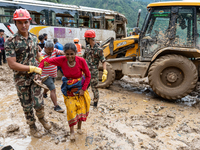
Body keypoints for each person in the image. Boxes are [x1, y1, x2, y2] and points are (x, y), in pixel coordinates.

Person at [4, 8, 51, 138]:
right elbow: (12, 64)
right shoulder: (10, 41)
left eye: (26, 22)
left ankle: (42, 119)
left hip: (35, 77)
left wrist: (41, 59)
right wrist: (31, 68)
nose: (23, 25)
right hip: (21, 79)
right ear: (15, 23)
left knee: (38, 101)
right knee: (26, 105)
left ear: (29, 22)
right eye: (20, 22)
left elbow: (36, 52)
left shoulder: (33, 38)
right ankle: (32, 126)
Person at [39, 43, 91, 141]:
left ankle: (79, 127)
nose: (69, 57)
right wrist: (39, 70)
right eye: (67, 54)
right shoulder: (61, 60)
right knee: (71, 109)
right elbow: (46, 61)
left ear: (75, 53)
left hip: (80, 87)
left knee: (81, 108)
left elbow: (88, 75)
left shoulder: (81, 61)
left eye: (72, 54)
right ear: (64, 53)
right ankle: (72, 131)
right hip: (68, 89)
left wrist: (83, 89)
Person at [83, 30, 107, 108]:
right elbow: (83, 59)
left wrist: (105, 72)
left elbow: (103, 61)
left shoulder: (99, 49)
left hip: (94, 73)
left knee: (94, 88)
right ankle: (84, 101)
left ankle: (95, 104)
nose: (85, 40)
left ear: (89, 39)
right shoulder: (87, 48)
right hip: (86, 72)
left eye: (86, 38)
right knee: (84, 87)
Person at [41, 40, 65, 113]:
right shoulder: (41, 55)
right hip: (45, 76)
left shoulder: (54, 50)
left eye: (52, 49)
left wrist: (68, 53)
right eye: (49, 50)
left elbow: (61, 52)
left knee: (48, 87)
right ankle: (56, 106)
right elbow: (37, 65)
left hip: (53, 75)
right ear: (45, 47)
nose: (51, 51)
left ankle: (44, 93)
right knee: (53, 89)